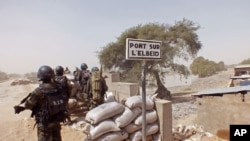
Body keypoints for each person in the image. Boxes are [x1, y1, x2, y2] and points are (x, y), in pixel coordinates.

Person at [14, 65, 68, 141]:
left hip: (44, 124)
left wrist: (21, 108)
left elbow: (29, 105)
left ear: (40, 76)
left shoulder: (39, 91)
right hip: (56, 121)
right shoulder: (58, 88)